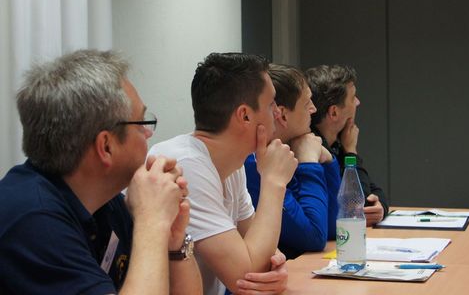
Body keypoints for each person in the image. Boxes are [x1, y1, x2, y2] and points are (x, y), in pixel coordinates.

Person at [0, 50, 202, 295]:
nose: (149, 134)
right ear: (106, 146)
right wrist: (152, 221)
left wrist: (173, 243)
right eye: (142, 124)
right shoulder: (32, 220)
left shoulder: (104, 203)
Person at [149, 53, 297, 295]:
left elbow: (263, 256)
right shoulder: (186, 165)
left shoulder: (232, 165)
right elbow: (246, 274)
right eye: (271, 104)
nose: (278, 114)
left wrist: (275, 269)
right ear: (245, 115)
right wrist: (274, 182)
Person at [245, 64, 341, 259]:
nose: (314, 109)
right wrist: (310, 164)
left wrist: (328, 161)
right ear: (282, 114)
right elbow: (315, 237)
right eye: (307, 104)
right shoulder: (253, 164)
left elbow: (335, 227)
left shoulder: (284, 150)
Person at [305, 64, 389, 226]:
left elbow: (374, 191)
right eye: (353, 97)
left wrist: (381, 208)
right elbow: (356, 206)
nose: (357, 102)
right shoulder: (314, 150)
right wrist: (351, 152)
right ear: (334, 112)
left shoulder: (336, 144)